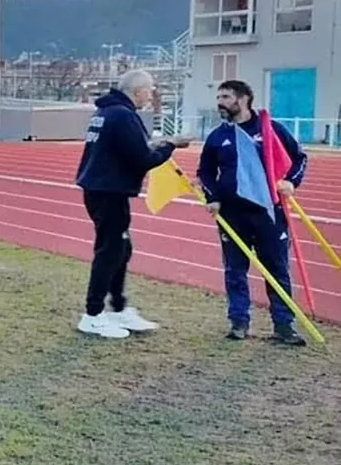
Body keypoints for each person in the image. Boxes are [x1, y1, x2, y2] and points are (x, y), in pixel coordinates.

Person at [72, 69, 185, 339]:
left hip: (103, 188)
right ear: (137, 91)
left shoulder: (107, 112)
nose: (151, 95)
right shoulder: (122, 114)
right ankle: (93, 314)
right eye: (150, 90)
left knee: (122, 248)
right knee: (110, 250)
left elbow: (129, 148)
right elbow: (143, 159)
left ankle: (117, 307)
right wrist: (171, 145)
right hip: (108, 190)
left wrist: (155, 145)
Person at [196, 79, 308, 345]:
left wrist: (291, 182)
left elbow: (299, 158)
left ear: (243, 99)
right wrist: (212, 197)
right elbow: (205, 172)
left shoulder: (270, 129)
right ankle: (239, 322)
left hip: (268, 212)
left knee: (276, 269)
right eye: (219, 96)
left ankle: (283, 325)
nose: (220, 102)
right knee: (235, 270)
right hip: (232, 214)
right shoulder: (218, 136)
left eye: (225, 96)